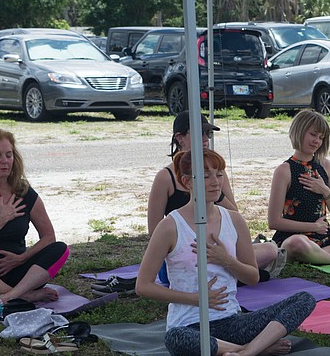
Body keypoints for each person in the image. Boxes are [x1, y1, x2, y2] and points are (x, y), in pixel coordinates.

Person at [136, 149, 316, 356]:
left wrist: (226, 260)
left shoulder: (234, 220)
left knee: (305, 299)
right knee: (175, 341)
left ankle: (245, 351)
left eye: (219, 174)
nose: (215, 182)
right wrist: (197, 298)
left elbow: (252, 277)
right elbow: (143, 286)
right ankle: (254, 349)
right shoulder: (170, 226)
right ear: (186, 182)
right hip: (190, 326)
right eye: (205, 176)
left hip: (232, 321)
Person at [116, 111, 279, 293]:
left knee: (271, 250)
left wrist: (214, 192)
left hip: (218, 247)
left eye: (207, 134)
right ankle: (232, 273)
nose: (205, 139)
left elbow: (234, 213)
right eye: (199, 133)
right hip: (183, 253)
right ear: (180, 138)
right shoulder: (165, 177)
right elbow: (154, 232)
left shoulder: (217, 173)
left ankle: (231, 271)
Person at [0, 129, 69, 304]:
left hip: (18, 274)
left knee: (60, 248)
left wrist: (23, 258)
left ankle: (10, 296)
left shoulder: (24, 192)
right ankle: (25, 296)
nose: (4, 162)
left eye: (9, 155)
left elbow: (49, 237)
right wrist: (2, 218)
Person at [268, 110, 330, 264]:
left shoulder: (325, 165)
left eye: (321, 138)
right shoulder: (284, 170)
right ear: (299, 131)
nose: (317, 141)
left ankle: (319, 256)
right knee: (297, 244)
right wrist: (314, 227)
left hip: (324, 237)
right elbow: (273, 222)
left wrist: (325, 191)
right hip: (293, 238)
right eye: (313, 134)